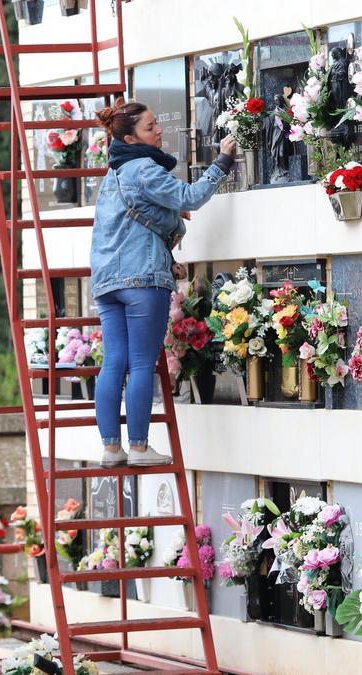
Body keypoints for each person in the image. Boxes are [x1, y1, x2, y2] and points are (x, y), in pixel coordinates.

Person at [91, 99, 235, 468]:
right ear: (130, 138)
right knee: (141, 363)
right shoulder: (143, 168)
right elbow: (191, 197)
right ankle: (139, 448)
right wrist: (222, 161)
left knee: (113, 363)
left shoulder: (112, 176)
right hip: (142, 282)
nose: (159, 131)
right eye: (150, 127)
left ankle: (111, 448)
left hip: (107, 283)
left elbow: (130, 227)